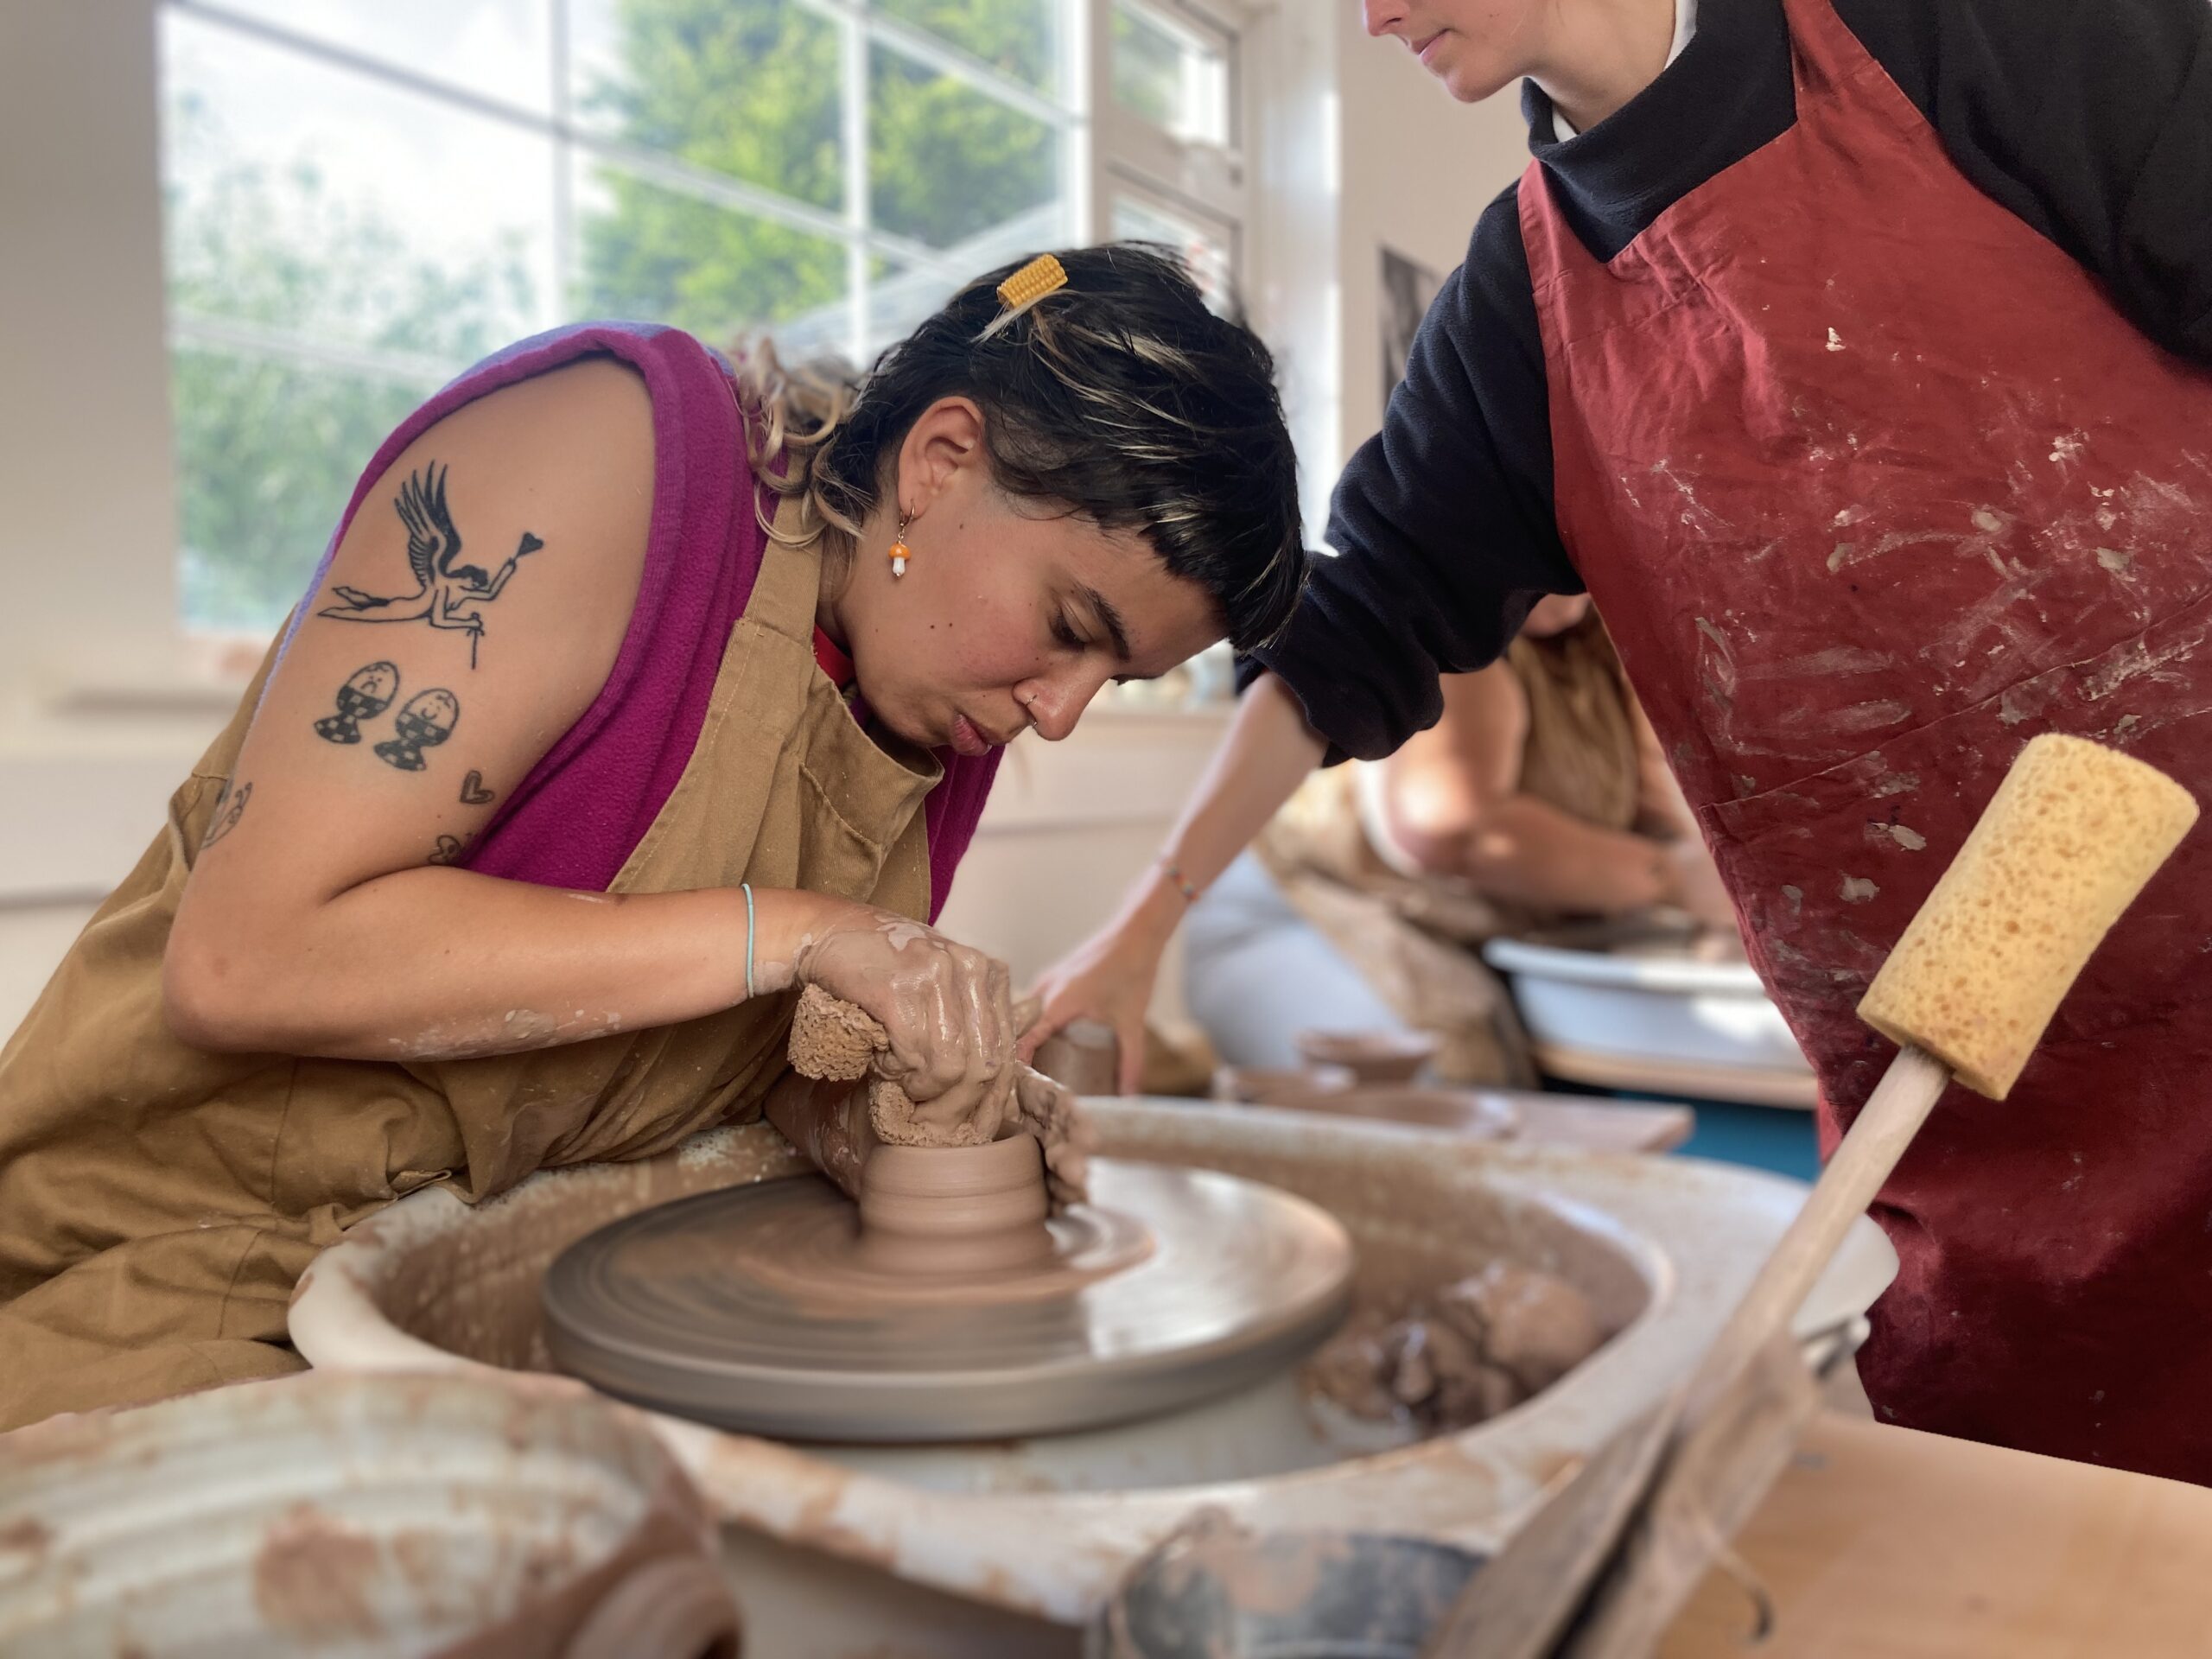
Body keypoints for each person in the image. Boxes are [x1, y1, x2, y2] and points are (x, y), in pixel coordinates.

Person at [1025, 0, 2212, 1484]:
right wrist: (1145, 924)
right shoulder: (1518, 312)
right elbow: (1358, 629)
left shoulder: (1981, 37)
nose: (1366, 11)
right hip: (1961, 1115)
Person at [0, 245, 1306, 1431]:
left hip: (469, 1260)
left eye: (1118, 683)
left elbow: (713, 1055)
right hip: (153, 1261)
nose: (1062, 714)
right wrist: (804, 932)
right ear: (942, 461)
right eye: (1072, 628)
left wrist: (917, 1126)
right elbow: (247, 958)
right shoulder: (606, 451)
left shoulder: (931, 710)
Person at [1185, 594, 1733, 1084]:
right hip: (1309, 916)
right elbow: (1451, 830)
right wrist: (1671, 878)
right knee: (1446, 1092)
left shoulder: (1598, 647)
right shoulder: (1446, 625)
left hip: (1466, 939)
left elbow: (1664, 817)